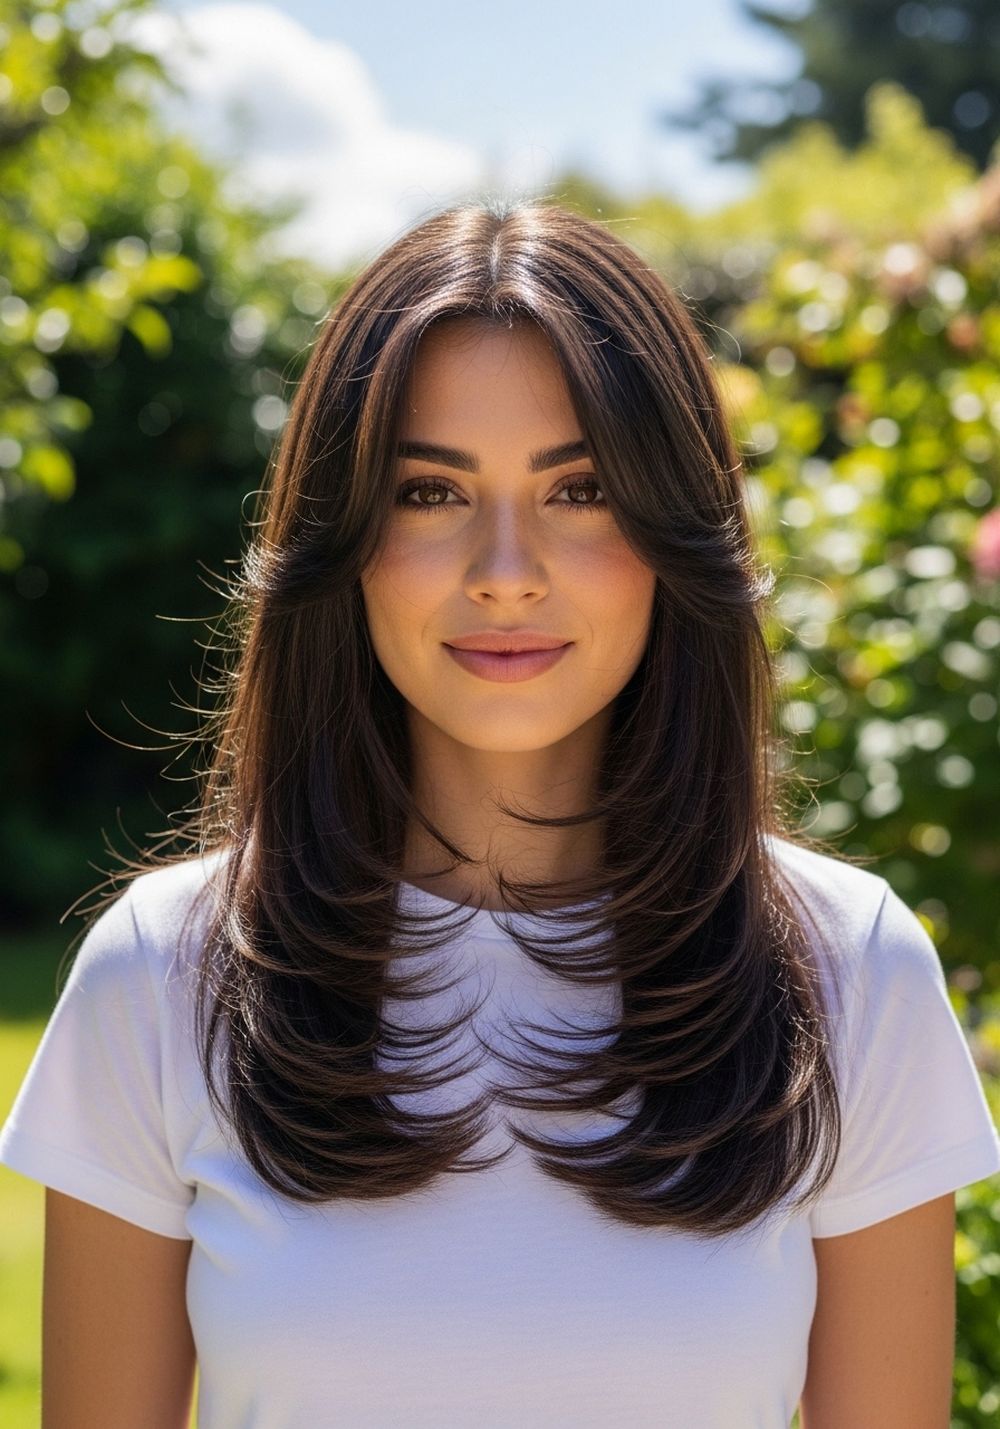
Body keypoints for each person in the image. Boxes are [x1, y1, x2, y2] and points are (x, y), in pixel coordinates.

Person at [2, 198, 998, 1429]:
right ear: (342, 536)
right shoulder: (164, 972)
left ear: (675, 528)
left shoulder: (851, 968)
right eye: (430, 492)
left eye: (580, 489)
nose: (506, 571)